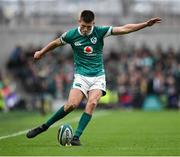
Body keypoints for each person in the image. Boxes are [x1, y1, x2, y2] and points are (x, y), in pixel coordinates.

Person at [26, 10, 161, 145]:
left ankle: (76, 137)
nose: (85, 29)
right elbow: (56, 43)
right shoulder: (71, 35)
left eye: (89, 27)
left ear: (93, 24)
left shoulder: (100, 31)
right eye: (84, 26)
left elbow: (124, 28)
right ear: (79, 21)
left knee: (92, 103)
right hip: (81, 77)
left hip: (98, 77)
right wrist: (41, 52)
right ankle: (44, 127)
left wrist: (145, 24)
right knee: (71, 105)